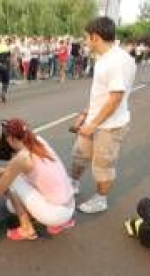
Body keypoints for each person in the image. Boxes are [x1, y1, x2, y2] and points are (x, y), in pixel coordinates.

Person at [70, 17, 137, 214]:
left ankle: (101, 200)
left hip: (110, 126)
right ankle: (73, 183)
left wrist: (94, 124)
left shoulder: (117, 61)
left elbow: (115, 98)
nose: (85, 41)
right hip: (95, 120)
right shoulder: (105, 58)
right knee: (79, 155)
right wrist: (86, 113)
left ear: (96, 37)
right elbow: (101, 94)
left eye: (86, 38)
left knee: (102, 166)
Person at [0, 118, 75, 241]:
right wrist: (3, 170)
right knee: (15, 183)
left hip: (57, 214)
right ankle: (59, 223)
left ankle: (26, 229)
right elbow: (22, 172)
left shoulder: (21, 158)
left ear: (11, 139)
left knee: (11, 189)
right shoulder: (39, 141)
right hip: (69, 206)